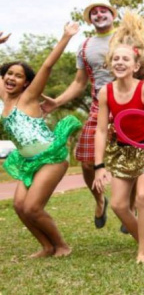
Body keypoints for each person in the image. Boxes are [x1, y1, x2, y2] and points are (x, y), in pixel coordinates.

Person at [41, 0, 134, 232]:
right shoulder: (84, 47)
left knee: (133, 161)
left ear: (112, 15)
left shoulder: (126, 39)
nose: (99, 14)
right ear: (90, 19)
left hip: (128, 106)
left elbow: (141, 71)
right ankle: (99, 199)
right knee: (85, 161)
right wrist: (58, 101)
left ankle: (129, 207)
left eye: (104, 10)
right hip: (99, 108)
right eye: (94, 12)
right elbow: (79, 82)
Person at [92, 11, 144, 264]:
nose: (120, 62)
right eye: (116, 59)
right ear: (110, 64)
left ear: (135, 66)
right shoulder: (105, 92)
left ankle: (143, 252)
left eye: (125, 59)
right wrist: (99, 166)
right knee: (118, 205)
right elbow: (101, 130)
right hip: (122, 149)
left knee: (143, 196)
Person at [1, 23, 82, 258]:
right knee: (19, 206)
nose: (12, 78)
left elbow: (47, 65)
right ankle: (47, 247)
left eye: (19, 76)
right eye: (9, 74)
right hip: (28, 161)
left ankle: (62, 246)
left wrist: (65, 36)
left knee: (32, 207)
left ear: (26, 83)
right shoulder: (4, 95)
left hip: (51, 157)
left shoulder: (28, 97)